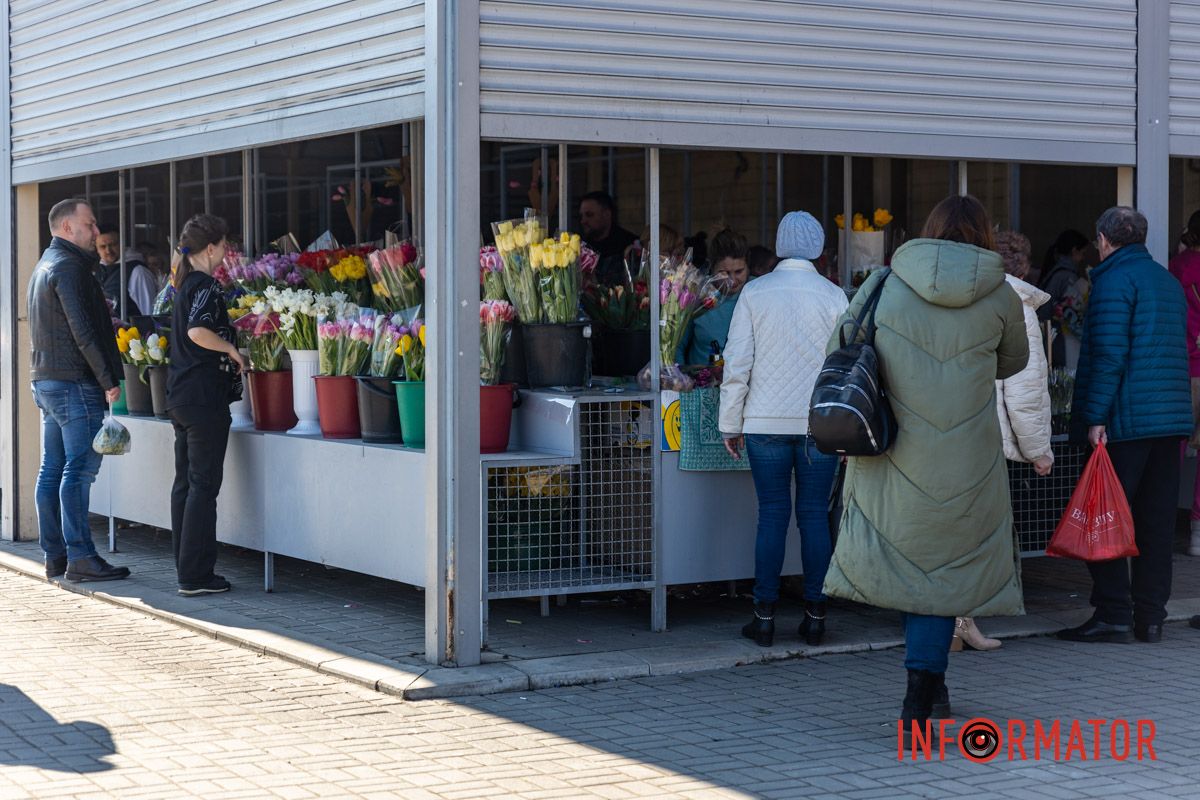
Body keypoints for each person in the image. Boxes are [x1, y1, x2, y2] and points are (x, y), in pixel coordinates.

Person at [822, 195, 1029, 730]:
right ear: (984, 234)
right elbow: (1015, 361)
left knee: (914, 564)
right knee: (944, 568)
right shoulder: (1001, 295)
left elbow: (840, 342)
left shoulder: (885, 283)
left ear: (928, 231)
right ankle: (925, 687)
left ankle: (926, 683)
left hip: (893, 450)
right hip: (968, 458)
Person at [1059, 207, 1192, 645]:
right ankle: (1150, 618)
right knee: (1155, 523)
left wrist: (1095, 416)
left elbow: (1109, 356)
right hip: (1168, 422)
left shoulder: (1114, 281)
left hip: (1126, 422)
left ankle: (1114, 612)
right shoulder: (1167, 282)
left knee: (1104, 514)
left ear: (1102, 239)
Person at [720, 211, 848, 648]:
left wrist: (729, 423)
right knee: (814, 517)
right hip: (821, 426)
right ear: (818, 249)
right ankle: (815, 617)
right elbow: (846, 367)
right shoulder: (835, 297)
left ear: (777, 246)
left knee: (771, 516)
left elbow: (737, 365)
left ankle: (764, 617)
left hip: (764, 423)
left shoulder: (755, 293)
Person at [951, 231, 1055, 653]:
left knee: (959, 531)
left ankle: (957, 622)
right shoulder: (1016, 305)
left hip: (958, 433)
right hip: (993, 441)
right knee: (981, 536)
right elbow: (1025, 389)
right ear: (1023, 266)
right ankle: (961, 623)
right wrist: (1039, 450)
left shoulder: (964, 297)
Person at [27, 198, 131, 582]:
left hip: (47, 380)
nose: (96, 232)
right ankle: (81, 557)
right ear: (68, 227)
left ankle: (55, 556)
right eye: (89, 224)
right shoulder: (69, 267)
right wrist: (108, 379)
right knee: (79, 470)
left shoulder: (44, 264)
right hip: (73, 382)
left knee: (52, 468)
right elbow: (82, 329)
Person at [166, 214, 246, 596]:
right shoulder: (207, 287)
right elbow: (198, 330)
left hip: (180, 397)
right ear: (211, 248)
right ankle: (196, 576)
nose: (226, 254)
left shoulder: (181, 284)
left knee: (185, 483)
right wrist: (230, 346)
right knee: (202, 486)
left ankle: (184, 563)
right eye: (224, 246)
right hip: (203, 398)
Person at [1168, 211, 1200, 557]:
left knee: (1171, 453)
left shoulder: (1178, 266)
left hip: (1181, 368)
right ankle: (1197, 534)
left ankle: (1160, 526)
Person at [677, 229, 749, 365]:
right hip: (700, 382)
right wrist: (679, 375)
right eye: (724, 272)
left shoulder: (757, 291)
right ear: (711, 267)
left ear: (748, 266)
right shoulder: (696, 294)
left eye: (739, 271)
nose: (732, 280)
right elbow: (677, 346)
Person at [1039, 229, 1090, 369]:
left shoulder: (1055, 272)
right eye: (1083, 253)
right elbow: (1073, 312)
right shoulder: (1067, 277)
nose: (1084, 259)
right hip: (1061, 340)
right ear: (1074, 251)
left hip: (1051, 337)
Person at [579, 191, 639, 287]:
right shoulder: (581, 247)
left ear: (606, 214)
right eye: (581, 216)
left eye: (589, 215)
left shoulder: (628, 244)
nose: (583, 221)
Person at [95, 224, 155, 318]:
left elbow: (149, 313)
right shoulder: (98, 272)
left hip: (133, 332)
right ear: (97, 249)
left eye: (113, 244)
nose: (108, 251)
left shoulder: (138, 272)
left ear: (122, 244)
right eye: (103, 246)